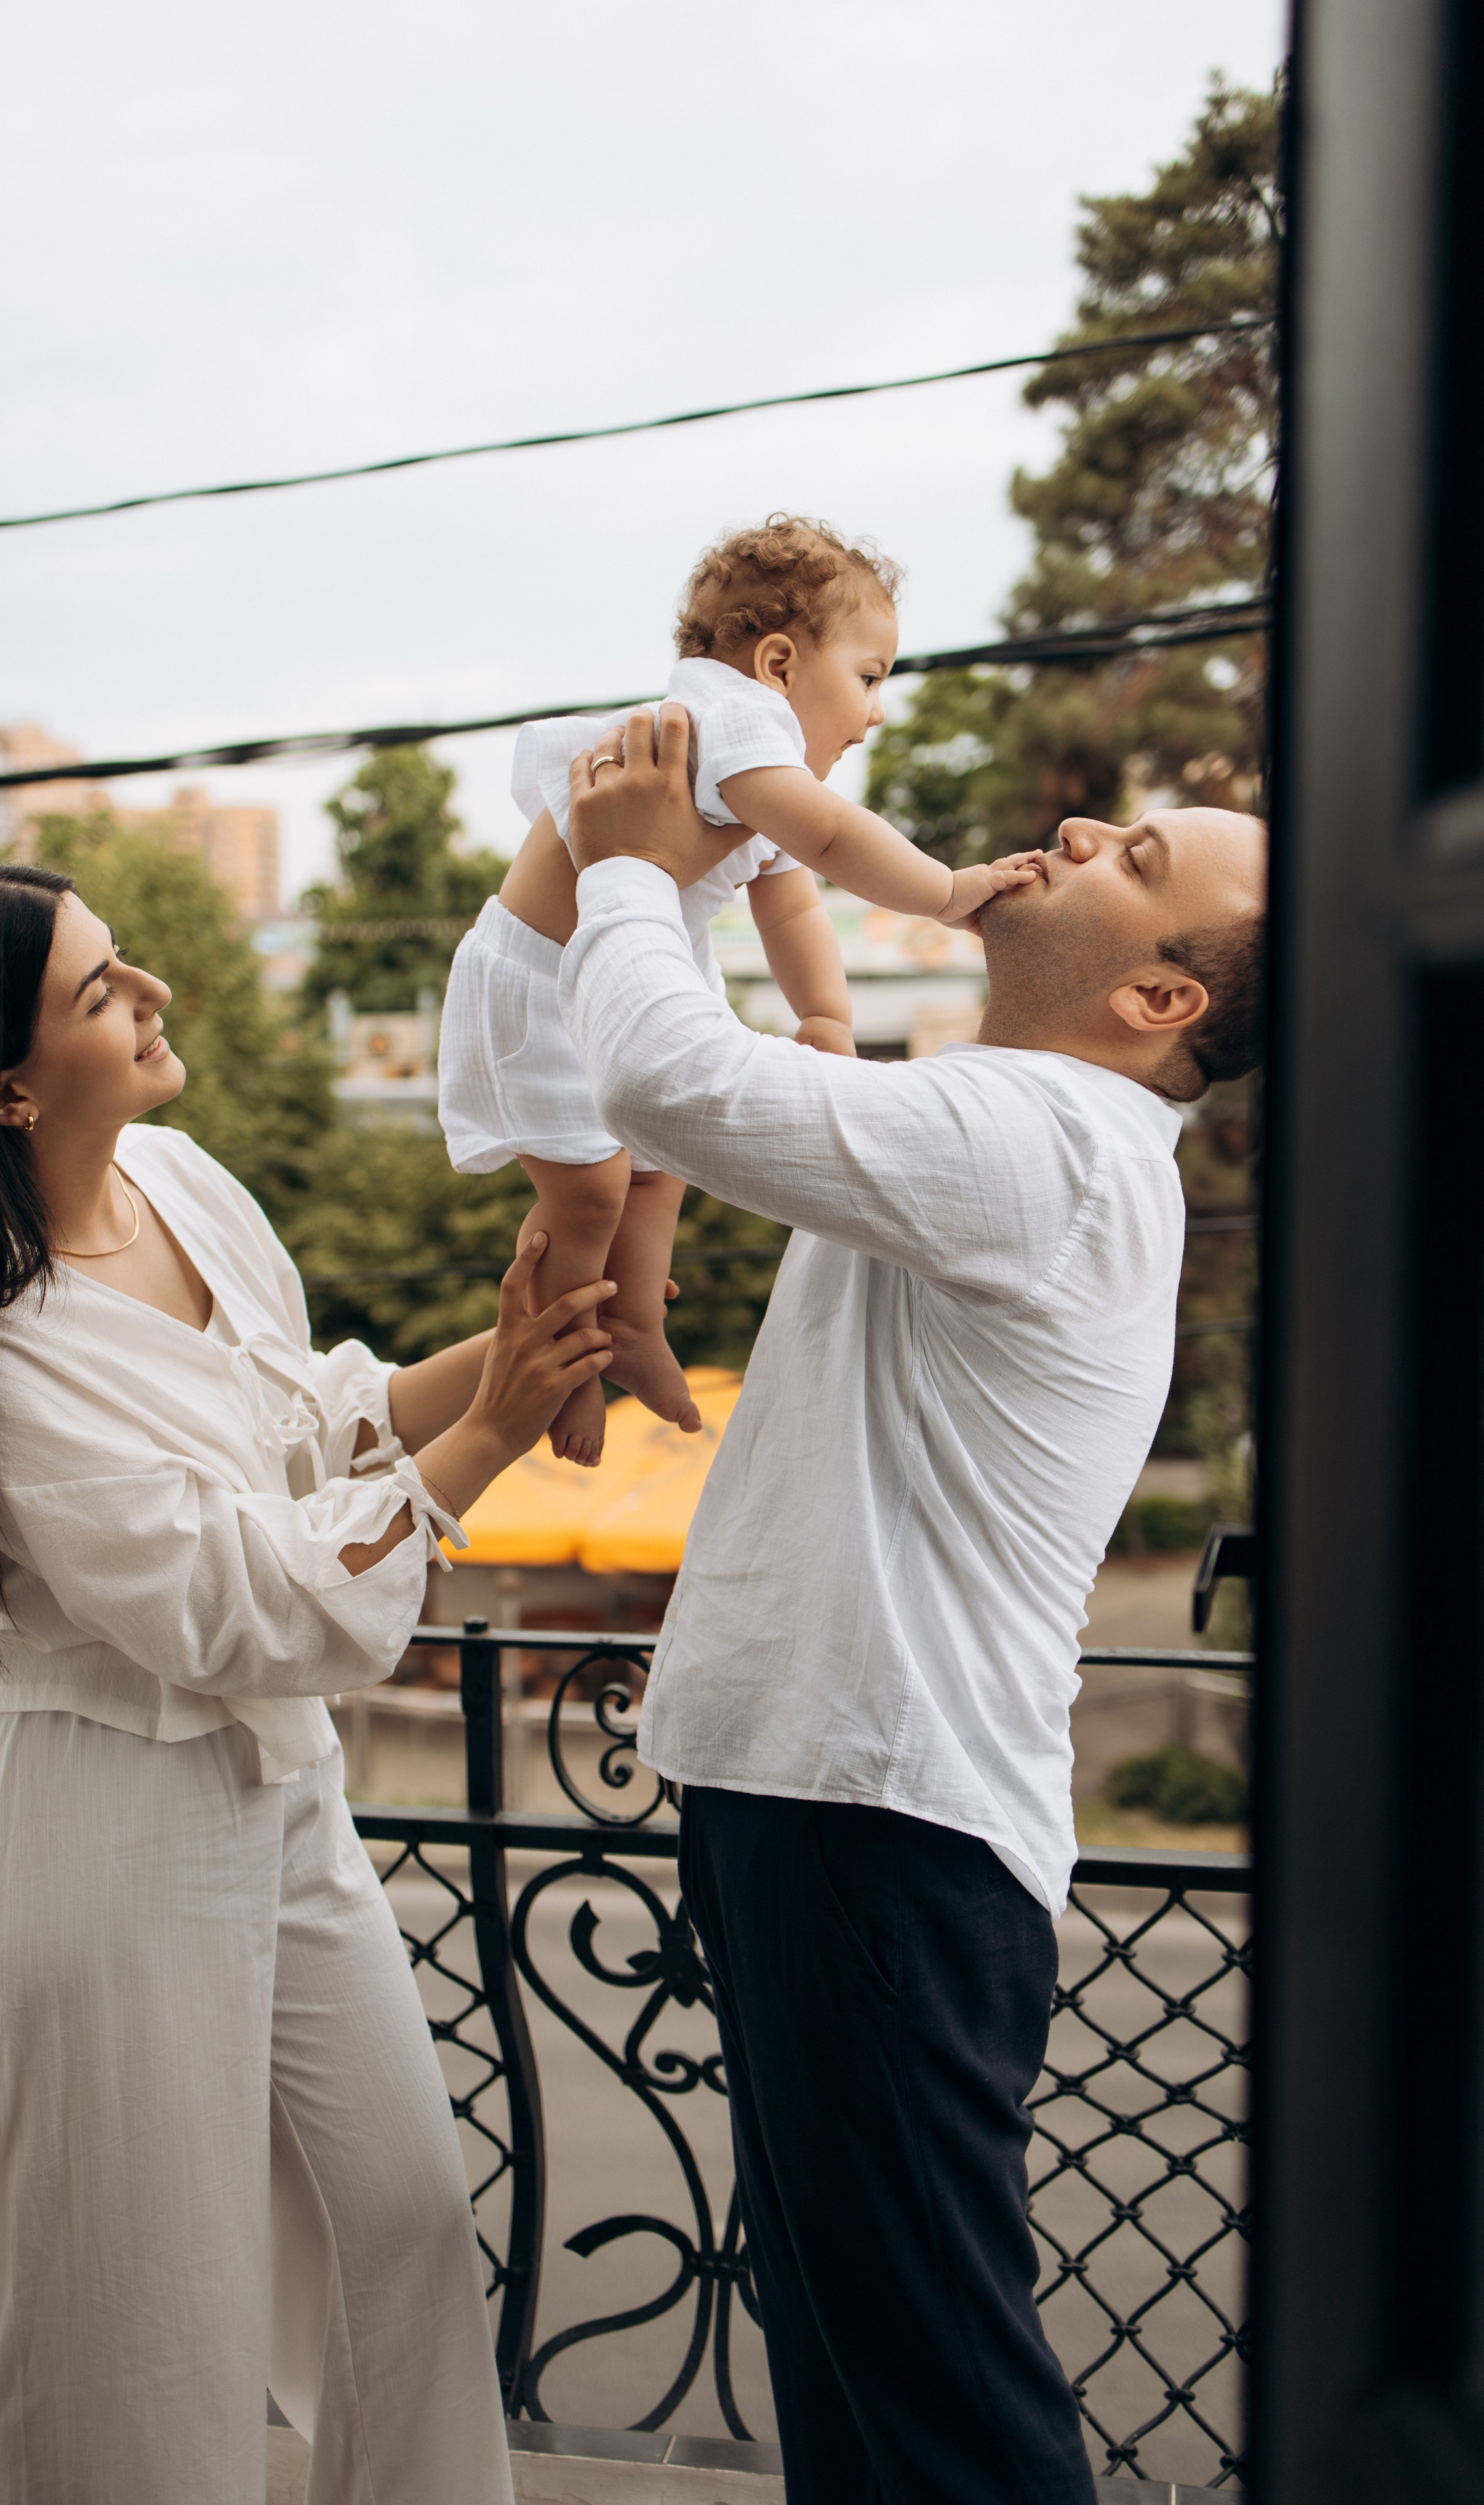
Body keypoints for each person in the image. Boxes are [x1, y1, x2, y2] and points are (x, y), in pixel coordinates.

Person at [0, 861, 618, 2505]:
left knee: (400, 2219)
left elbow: (317, 1432)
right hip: (101, 1827)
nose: (154, 993)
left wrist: (521, 1331)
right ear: (9, 1084)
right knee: (140, 2325)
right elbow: (237, 1596)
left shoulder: (181, 1183)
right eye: (102, 989)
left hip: (276, 1796)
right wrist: (492, 1438)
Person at [556, 708, 1267, 2505]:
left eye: (1140, 861)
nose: (1089, 827)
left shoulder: (1049, 1143)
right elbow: (749, 1085)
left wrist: (636, 854)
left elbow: (664, 1083)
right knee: (867, 2374)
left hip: (882, 1817)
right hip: (840, 1805)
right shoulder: (1003, 1131)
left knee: (927, 2391)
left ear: (1164, 1000)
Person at [437, 516, 1042, 1465]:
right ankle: (555, 1370)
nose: (877, 711)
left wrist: (825, 1015)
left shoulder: (748, 760)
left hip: (632, 960)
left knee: (658, 1158)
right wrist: (948, 893)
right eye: (871, 676)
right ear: (778, 664)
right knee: (591, 1196)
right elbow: (835, 841)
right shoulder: (733, 718)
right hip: (543, 984)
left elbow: (791, 903)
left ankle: (634, 1325)